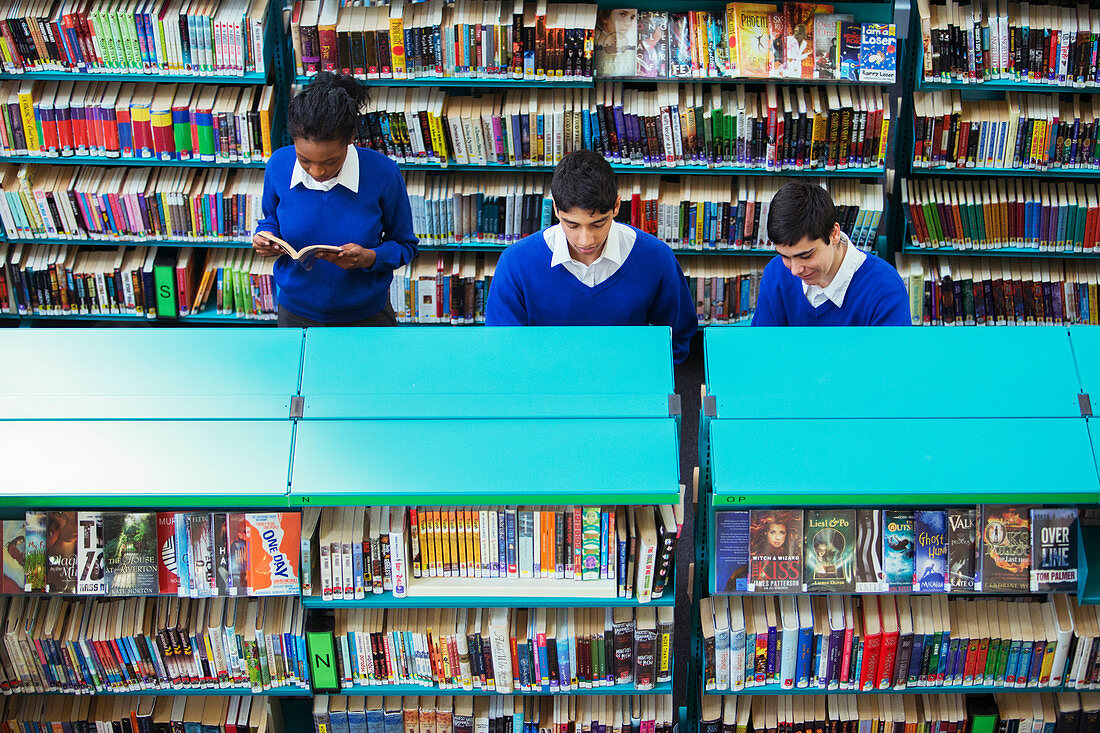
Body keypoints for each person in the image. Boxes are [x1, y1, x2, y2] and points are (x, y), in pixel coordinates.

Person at [485, 150, 698, 363]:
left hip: (630, 384)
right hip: (546, 386)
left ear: (616, 206)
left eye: (598, 224)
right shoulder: (515, 264)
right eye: (572, 225)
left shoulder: (656, 258)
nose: (585, 240)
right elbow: (504, 349)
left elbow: (676, 339)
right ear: (556, 210)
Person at [252, 72, 418, 327]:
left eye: (331, 161)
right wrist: (265, 237)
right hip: (295, 313)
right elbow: (271, 219)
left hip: (366, 316)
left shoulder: (383, 173)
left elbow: (405, 245)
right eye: (305, 160)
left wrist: (369, 258)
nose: (318, 173)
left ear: (350, 139)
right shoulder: (278, 165)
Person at [751, 182, 911, 326]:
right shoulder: (776, 272)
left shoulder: (886, 289)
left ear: (834, 234)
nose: (795, 270)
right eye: (785, 256)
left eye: (806, 256)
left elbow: (888, 358)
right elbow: (764, 348)